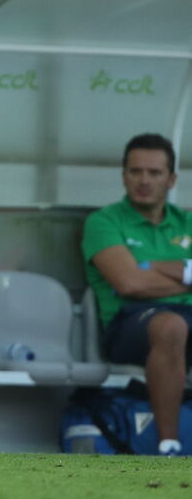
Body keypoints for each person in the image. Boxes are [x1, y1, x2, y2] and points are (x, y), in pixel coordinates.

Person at [83, 133, 192, 457]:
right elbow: (129, 283)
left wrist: (154, 267)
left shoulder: (186, 222)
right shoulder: (103, 221)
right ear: (124, 176)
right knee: (169, 325)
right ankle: (167, 445)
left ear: (171, 179)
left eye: (154, 173)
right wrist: (189, 274)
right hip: (129, 320)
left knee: (176, 324)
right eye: (136, 171)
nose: (144, 180)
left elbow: (140, 275)